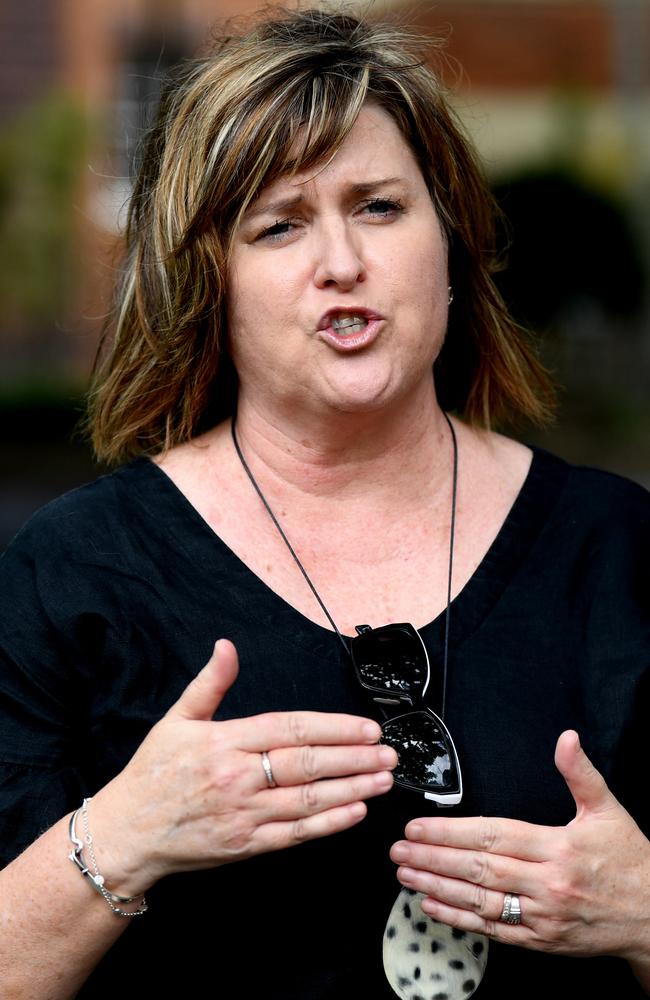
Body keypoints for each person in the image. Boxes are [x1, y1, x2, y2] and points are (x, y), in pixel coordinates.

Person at [0, 8, 648, 998]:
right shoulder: (74, 572)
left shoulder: (616, 549)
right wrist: (123, 837)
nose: (339, 260)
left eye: (378, 206)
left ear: (450, 242)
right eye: (280, 224)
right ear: (209, 282)